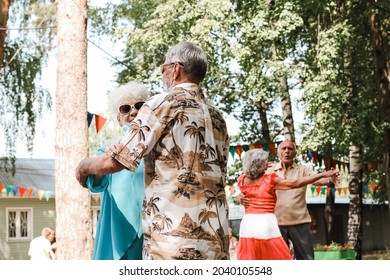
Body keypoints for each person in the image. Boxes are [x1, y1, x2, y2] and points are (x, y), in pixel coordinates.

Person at [76, 41, 230, 260]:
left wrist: (83, 166)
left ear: (175, 69)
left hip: (172, 240)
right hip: (214, 237)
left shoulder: (160, 103)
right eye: (125, 108)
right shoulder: (218, 117)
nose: (134, 111)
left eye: (164, 68)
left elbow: (114, 163)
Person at [238, 140, 340, 259]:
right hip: (275, 223)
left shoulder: (303, 170)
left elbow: (316, 181)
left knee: (306, 259)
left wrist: (328, 180)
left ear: (295, 153)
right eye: (283, 148)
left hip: (299, 221)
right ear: (278, 153)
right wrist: (239, 196)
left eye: (290, 149)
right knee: (275, 259)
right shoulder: (268, 170)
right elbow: (251, 187)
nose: (287, 151)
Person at [87, 81, 150, 260]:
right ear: (119, 118)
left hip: (154, 233)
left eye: (139, 105)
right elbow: (95, 184)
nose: (133, 112)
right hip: (118, 233)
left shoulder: (160, 151)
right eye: (125, 108)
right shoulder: (107, 152)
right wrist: (105, 162)